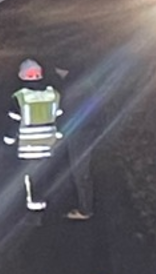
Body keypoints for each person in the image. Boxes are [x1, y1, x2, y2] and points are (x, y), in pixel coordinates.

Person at [3, 58, 63, 213]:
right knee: (46, 173)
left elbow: (14, 121)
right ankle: (48, 203)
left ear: (22, 76)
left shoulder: (20, 97)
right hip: (49, 144)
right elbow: (60, 116)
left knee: (30, 176)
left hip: (28, 146)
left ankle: (34, 206)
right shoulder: (53, 94)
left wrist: (9, 139)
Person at [53, 65, 95, 220]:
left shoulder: (72, 88)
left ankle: (85, 209)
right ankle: (85, 205)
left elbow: (68, 113)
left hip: (80, 133)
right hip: (87, 129)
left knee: (80, 170)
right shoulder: (84, 83)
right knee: (82, 170)